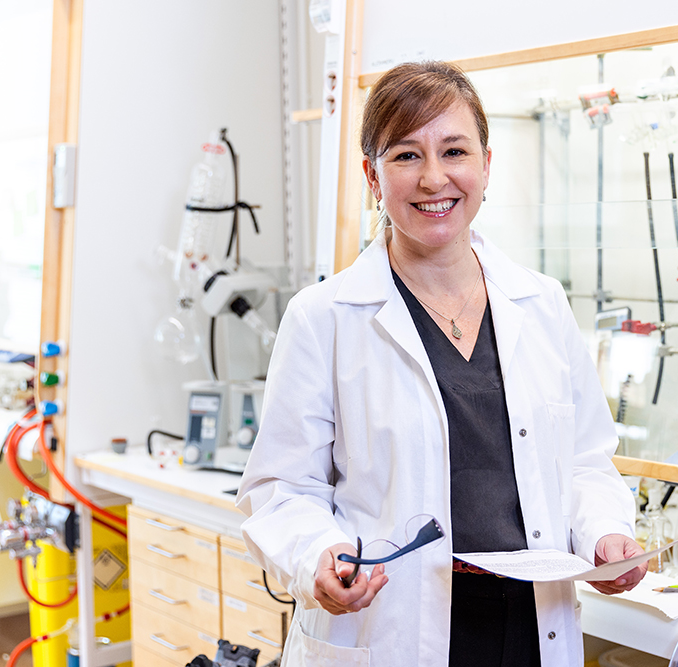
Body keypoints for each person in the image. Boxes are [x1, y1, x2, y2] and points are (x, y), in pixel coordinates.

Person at [236, 60, 647, 667]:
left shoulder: (541, 303)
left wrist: (604, 534)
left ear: (486, 164)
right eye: (406, 156)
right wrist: (318, 555)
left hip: (531, 627)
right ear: (374, 177)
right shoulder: (324, 316)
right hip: (392, 628)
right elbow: (280, 489)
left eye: (454, 150)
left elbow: (585, 463)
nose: (434, 178)